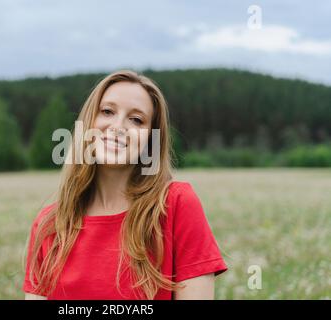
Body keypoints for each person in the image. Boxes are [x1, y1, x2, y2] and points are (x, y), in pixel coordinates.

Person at [23, 70, 227, 300]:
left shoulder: (175, 204)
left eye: (136, 120)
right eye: (107, 111)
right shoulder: (50, 224)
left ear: (150, 140)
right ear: (88, 122)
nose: (118, 126)